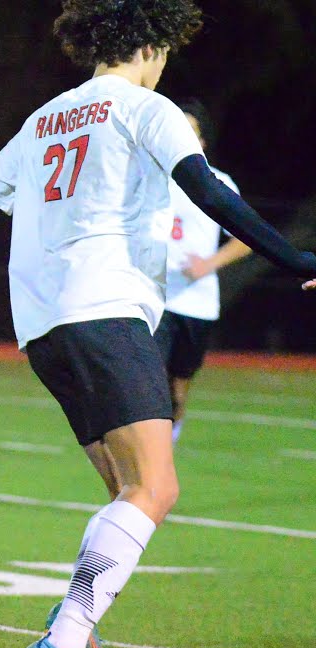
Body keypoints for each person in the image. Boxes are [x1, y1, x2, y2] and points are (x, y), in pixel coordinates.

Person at [0, 2, 316, 648]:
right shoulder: (148, 110)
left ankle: (78, 636)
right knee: (156, 489)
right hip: (107, 312)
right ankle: (64, 640)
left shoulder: (43, 119)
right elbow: (206, 191)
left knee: (127, 487)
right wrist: (295, 257)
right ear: (150, 43)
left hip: (45, 328)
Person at [156, 98, 252, 444]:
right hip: (155, 300)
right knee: (150, 383)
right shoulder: (152, 178)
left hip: (196, 303)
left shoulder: (219, 183)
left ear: (203, 143)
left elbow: (245, 239)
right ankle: (147, 462)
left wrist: (207, 264)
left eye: (189, 132)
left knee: (177, 390)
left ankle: (169, 443)